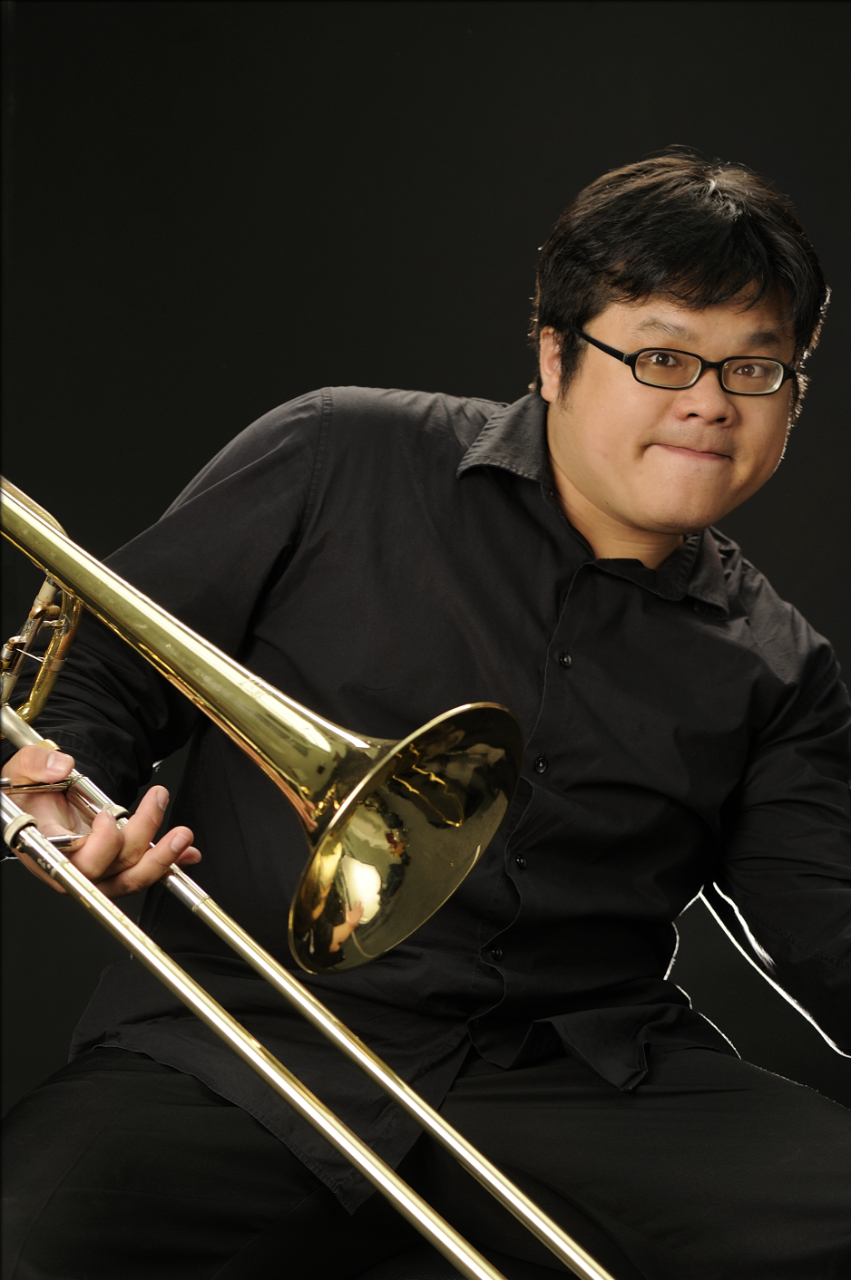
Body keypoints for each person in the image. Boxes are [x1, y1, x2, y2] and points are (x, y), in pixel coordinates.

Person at [2, 151, 849, 1280]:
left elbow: (824, 930)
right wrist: (66, 796)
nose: (708, 401)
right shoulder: (340, 453)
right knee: (27, 1235)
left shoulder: (779, 664)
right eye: (661, 355)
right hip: (244, 1037)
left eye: (755, 368)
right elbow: (103, 669)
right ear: (554, 355)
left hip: (575, 1075)